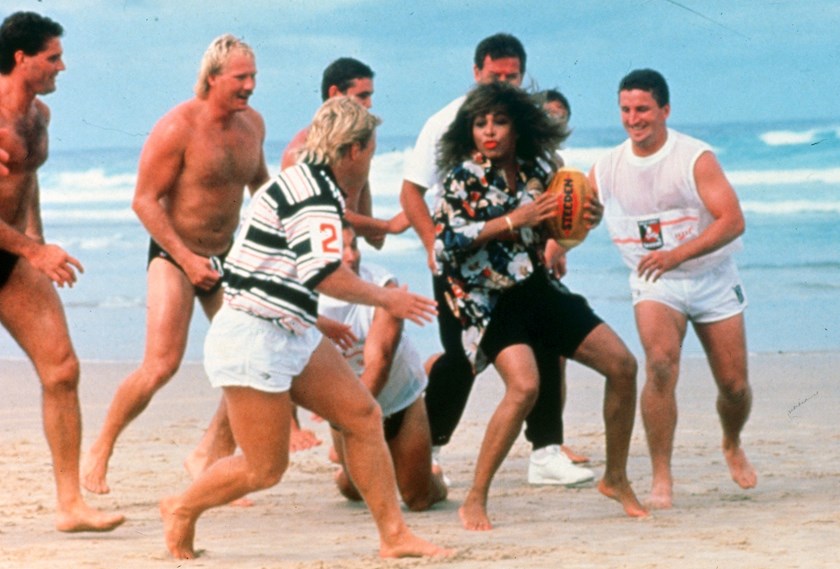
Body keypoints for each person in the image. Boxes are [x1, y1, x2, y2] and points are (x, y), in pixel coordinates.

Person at [160, 96, 450, 560]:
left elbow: (265, 267)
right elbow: (324, 274)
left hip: (289, 327)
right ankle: (180, 507)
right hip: (253, 337)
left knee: (362, 416)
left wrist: (314, 318)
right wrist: (386, 297)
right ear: (352, 152)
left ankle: (393, 537)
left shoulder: (303, 181)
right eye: (371, 153)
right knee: (264, 469)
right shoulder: (314, 193)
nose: (370, 163)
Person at [434, 81, 646, 531]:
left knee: (623, 365)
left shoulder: (539, 171)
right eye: (479, 123)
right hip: (489, 300)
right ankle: (475, 498)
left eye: (499, 121)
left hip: (536, 287)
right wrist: (512, 220)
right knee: (525, 387)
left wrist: (588, 217)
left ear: (519, 127)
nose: (488, 132)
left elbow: (559, 227)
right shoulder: (462, 177)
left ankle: (616, 478)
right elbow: (446, 244)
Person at [400, 32, 594, 486]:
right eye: (495, 75)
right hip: (464, 270)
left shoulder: (524, 123)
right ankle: (423, 446)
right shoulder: (447, 121)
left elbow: (550, 192)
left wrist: (556, 240)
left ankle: (546, 451)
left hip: (521, 266)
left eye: (512, 76)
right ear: (476, 73)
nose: (504, 82)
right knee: (461, 361)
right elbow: (411, 192)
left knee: (545, 343)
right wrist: (434, 249)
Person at [83, 34, 269, 495]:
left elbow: (262, 191)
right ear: (212, 78)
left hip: (227, 255)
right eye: (241, 77)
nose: (249, 86)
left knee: (253, 358)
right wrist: (187, 260)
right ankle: (101, 447)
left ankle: (209, 455)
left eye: (253, 77)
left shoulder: (253, 126)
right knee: (161, 364)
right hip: (174, 252)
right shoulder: (176, 128)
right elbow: (144, 201)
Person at [589, 68, 757, 509]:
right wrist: (554, 247)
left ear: (664, 110)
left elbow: (732, 220)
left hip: (711, 278)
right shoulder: (607, 167)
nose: (633, 118)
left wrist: (676, 255)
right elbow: (579, 216)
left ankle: (731, 440)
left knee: (735, 386)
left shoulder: (694, 158)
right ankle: (661, 476)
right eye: (625, 109)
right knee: (660, 365)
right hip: (655, 282)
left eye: (642, 109)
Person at [0, 11, 124, 532]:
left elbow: (27, 185)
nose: (62, 67)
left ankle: (71, 505)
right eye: (53, 57)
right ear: (21, 58)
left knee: (62, 370)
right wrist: (33, 251)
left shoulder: (39, 116)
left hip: (12, 256)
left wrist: (39, 245)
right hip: (18, 251)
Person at [321, 226, 448, 510]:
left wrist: (345, 415)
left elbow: (379, 365)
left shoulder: (384, 286)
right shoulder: (301, 295)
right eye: (339, 249)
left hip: (397, 398)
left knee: (418, 499)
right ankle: (350, 473)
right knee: (354, 491)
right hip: (346, 406)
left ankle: (433, 474)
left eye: (354, 246)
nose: (351, 256)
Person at [282, 57, 407, 250]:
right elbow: (319, 211)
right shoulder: (300, 150)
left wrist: (371, 228)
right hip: (310, 251)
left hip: (348, 248)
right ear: (335, 94)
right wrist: (387, 226)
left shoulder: (366, 137)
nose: (369, 104)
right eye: (362, 96)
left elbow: (361, 180)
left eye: (370, 96)